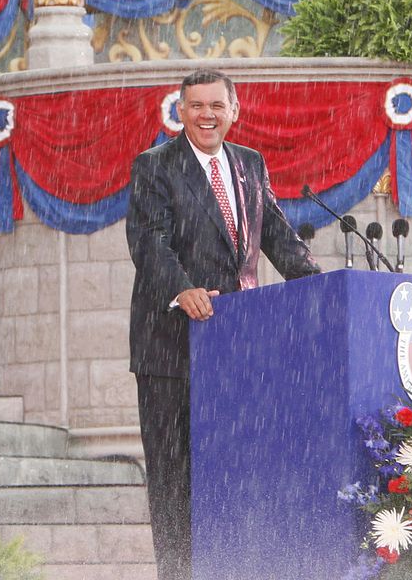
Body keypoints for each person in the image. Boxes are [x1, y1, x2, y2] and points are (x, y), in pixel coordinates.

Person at [126, 68, 320, 580]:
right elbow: (148, 241)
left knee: (236, 471)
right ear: (180, 111)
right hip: (171, 348)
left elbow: (277, 236)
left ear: (235, 110)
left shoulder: (250, 164)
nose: (206, 115)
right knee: (175, 479)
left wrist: (321, 284)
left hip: (237, 347)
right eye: (196, 106)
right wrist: (180, 286)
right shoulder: (156, 166)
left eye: (217, 106)